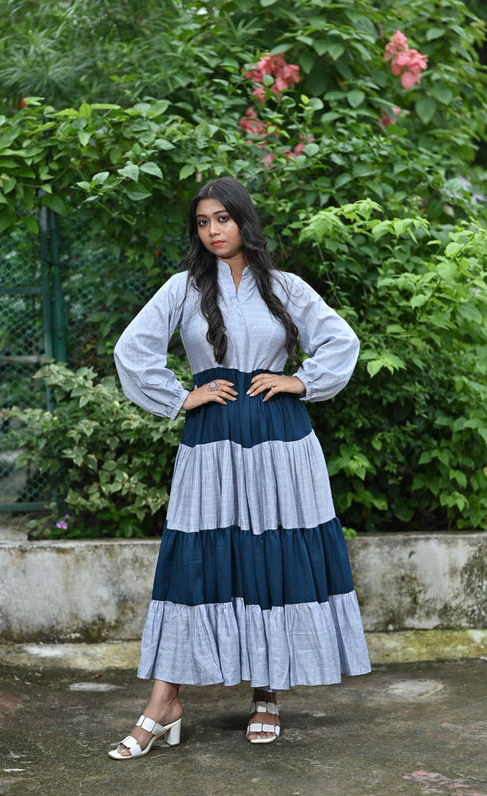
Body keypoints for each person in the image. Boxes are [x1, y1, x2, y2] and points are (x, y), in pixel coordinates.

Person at [110, 176, 370, 759]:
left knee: (273, 555)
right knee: (200, 558)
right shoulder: (182, 288)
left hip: (281, 440)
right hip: (212, 442)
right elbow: (133, 349)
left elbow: (340, 341)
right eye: (202, 223)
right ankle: (164, 701)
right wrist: (181, 396)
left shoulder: (285, 287)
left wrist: (299, 379)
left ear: (243, 221)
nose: (212, 232)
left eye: (221, 219)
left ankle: (267, 695)